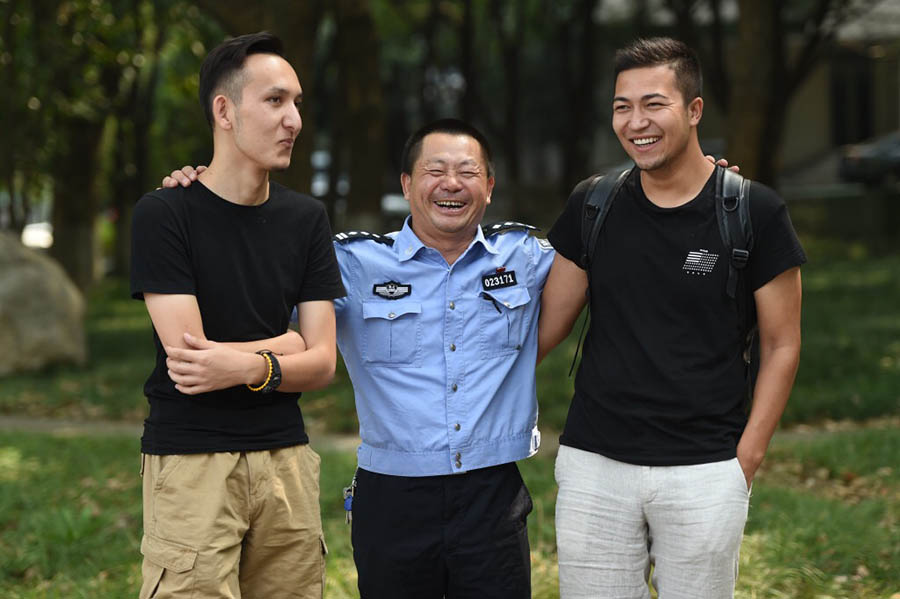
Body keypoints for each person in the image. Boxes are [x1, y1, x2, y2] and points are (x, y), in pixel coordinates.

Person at [164, 118, 555, 598]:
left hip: (493, 494)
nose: (451, 183)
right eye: (435, 170)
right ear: (407, 185)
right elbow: (252, 278)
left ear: (489, 187)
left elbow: (600, 257)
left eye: (468, 172)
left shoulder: (524, 255)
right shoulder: (353, 263)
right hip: (393, 495)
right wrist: (207, 198)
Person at [538, 37, 806, 598]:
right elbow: (541, 329)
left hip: (706, 467)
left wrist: (746, 459)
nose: (636, 122)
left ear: (693, 109)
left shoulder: (753, 211)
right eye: (622, 106)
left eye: (653, 104)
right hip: (595, 465)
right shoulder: (594, 204)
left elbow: (782, 344)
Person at [131, 32, 345, 599]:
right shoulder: (164, 214)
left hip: (287, 461)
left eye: (297, 102)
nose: (293, 119)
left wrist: (250, 365)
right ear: (224, 111)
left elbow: (324, 364)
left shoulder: (306, 219)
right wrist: (288, 345)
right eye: (275, 101)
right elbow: (193, 362)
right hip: (192, 459)